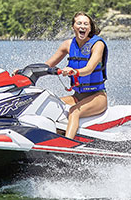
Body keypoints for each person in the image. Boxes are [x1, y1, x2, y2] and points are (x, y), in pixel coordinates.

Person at [46, 12, 108, 140]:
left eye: (86, 24)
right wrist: (25, 71)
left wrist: (75, 71)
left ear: (90, 28)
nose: (82, 26)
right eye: (79, 23)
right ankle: (49, 137)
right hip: (77, 96)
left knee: (74, 111)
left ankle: (67, 146)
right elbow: (47, 64)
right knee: (49, 105)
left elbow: (89, 68)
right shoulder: (67, 45)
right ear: (73, 26)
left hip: (97, 97)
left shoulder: (97, 45)